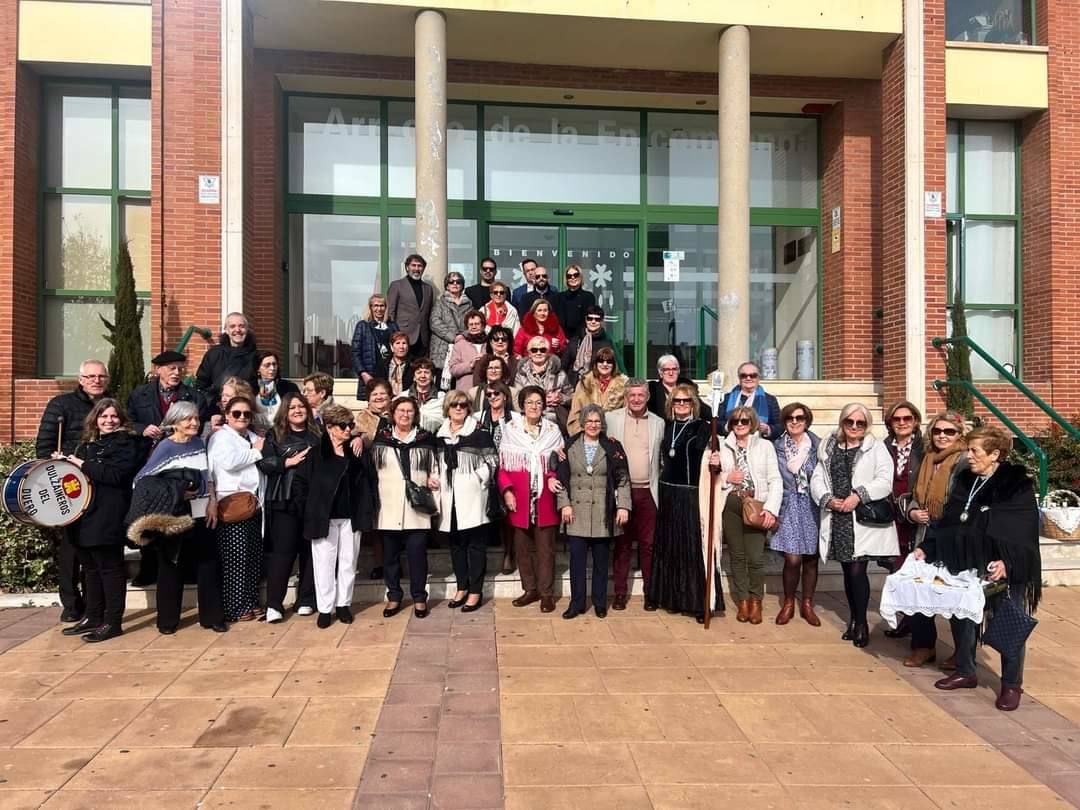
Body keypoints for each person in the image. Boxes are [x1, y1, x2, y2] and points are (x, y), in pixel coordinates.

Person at [916, 425, 1041, 712]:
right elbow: (950, 519)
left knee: (1010, 620)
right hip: (965, 561)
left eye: (975, 451)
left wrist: (1008, 562)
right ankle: (965, 670)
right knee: (963, 617)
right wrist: (929, 547)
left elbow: (1023, 530)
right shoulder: (965, 478)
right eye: (968, 449)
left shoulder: (1014, 484)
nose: (968, 455)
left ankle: (1011, 684)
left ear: (995, 454)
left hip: (1000, 567)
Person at [133, 401, 227, 634]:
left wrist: (213, 502)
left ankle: (212, 617)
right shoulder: (165, 447)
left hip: (203, 512)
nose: (194, 423)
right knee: (171, 567)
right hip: (175, 516)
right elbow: (142, 481)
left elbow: (209, 477)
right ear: (174, 423)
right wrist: (177, 492)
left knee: (208, 565)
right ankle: (167, 621)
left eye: (196, 418)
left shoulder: (199, 443)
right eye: (188, 419)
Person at [810, 403, 897, 648]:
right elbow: (818, 477)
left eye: (861, 423)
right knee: (848, 571)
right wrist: (827, 499)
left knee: (859, 570)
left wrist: (858, 495)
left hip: (861, 517)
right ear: (842, 422)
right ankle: (854, 619)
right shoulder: (829, 447)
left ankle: (861, 624)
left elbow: (884, 480)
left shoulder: (876, 448)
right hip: (838, 516)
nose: (855, 427)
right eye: (850, 422)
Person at [57, 399, 140, 642]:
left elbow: (116, 475)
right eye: (103, 416)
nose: (108, 421)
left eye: (114, 416)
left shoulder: (126, 444)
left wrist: (81, 464)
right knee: (90, 569)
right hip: (82, 515)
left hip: (108, 514)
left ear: (121, 420)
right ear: (95, 419)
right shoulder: (85, 445)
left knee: (110, 569)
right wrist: (62, 464)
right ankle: (93, 616)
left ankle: (113, 622)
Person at [35, 358, 110, 623]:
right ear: (80, 379)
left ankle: (93, 602)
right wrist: (57, 464)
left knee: (93, 545)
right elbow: (44, 446)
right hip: (70, 483)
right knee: (70, 546)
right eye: (90, 376)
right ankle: (70, 603)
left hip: (100, 484)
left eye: (101, 376)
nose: (96, 381)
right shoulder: (61, 405)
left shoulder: (111, 406)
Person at [898, 411, 968, 668]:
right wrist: (913, 511)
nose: (942, 436)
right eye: (937, 431)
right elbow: (914, 493)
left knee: (954, 593)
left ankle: (962, 652)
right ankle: (923, 646)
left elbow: (962, 501)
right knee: (919, 589)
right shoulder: (926, 458)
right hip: (924, 534)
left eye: (949, 431)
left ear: (959, 434)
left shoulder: (963, 462)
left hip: (951, 537)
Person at [647, 384, 719, 622]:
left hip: (690, 494)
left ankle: (698, 603)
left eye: (685, 401)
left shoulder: (703, 427)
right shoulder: (665, 426)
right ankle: (671, 598)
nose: (681, 405)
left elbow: (718, 454)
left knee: (692, 549)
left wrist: (716, 458)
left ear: (693, 403)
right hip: (668, 492)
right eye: (677, 401)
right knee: (670, 549)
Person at [301, 403, 377, 628]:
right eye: (343, 426)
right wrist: (309, 508)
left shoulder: (355, 452)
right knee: (324, 563)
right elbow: (301, 483)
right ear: (330, 427)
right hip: (323, 517)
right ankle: (325, 608)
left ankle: (344, 604)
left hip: (350, 516)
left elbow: (368, 481)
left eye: (350, 425)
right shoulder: (316, 454)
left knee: (348, 562)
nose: (348, 430)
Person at [556, 404, 631, 620]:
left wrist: (623, 506)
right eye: (589, 421)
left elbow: (623, 479)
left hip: (603, 511)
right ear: (582, 424)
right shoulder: (569, 446)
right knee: (576, 562)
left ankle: (599, 602)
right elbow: (561, 479)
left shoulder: (613, 447)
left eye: (597, 421)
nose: (593, 425)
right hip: (576, 512)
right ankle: (576, 603)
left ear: (602, 424)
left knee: (600, 562)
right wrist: (565, 504)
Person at [371, 396, 440, 619]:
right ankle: (394, 596)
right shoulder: (381, 439)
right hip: (388, 507)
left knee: (417, 555)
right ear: (393, 413)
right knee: (390, 557)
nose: (405, 415)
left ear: (415, 414)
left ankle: (419, 597)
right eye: (401, 410)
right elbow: (371, 472)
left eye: (410, 411)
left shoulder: (425, 439)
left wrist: (433, 479)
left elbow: (435, 468)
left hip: (416, 509)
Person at [499, 386, 565, 613]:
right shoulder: (511, 429)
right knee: (522, 546)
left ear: (544, 406)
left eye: (538, 402)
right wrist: (507, 491)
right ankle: (530, 589)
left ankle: (547, 593)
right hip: (519, 498)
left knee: (546, 548)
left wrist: (552, 477)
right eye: (529, 403)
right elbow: (503, 466)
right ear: (522, 406)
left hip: (545, 497)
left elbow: (560, 463)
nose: (534, 407)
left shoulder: (553, 431)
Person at [716, 406, 782, 625]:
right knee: (737, 555)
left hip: (755, 504)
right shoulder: (722, 446)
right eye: (736, 421)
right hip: (731, 503)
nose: (740, 425)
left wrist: (771, 508)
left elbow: (775, 479)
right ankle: (742, 600)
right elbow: (713, 477)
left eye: (744, 421)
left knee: (755, 557)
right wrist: (726, 476)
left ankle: (756, 601)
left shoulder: (764, 446)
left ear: (752, 422)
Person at [256, 392, 318, 622]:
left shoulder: (317, 434)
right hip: (284, 500)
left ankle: (306, 600)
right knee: (283, 554)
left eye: (301, 406)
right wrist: (286, 462)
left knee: (309, 553)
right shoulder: (275, 434)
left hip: (311, 501)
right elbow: (264, 462)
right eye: (292, 408)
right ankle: (274, 604)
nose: (297, 411)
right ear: (285, 411)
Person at [606, 378, 664, 610]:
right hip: (623, 492)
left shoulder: (658, 422)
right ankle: (620, 593)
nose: (637, 399)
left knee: (649, 545)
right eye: (632, 395)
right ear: (626, 397)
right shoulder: (611, 419)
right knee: (621, 544)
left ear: (648, 397)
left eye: (641, 395)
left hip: (649, 491)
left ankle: (651, 592)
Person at [437, 391, 498, 612]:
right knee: (456, 545)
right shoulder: (440, 434)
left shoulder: (479, 432)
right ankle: (461, 587)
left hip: (473, 497)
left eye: (463, 405)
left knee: (476, 546)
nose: (459, 408)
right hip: (449, 497)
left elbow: (492, 460)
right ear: (447, 408)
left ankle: (475, 591)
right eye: (454, 405)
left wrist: (477, 477)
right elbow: (436, 462)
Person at [207, 394, 266, 622]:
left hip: (253, 503)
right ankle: (235, 607)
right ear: (227, 415)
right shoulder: (220, 437)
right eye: (236, 413)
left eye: (246, 414)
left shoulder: (251, 436)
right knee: (236, 560)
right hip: (231, 503)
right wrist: (256, 451)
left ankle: (249, 602)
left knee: (252, 557)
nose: (242, 417)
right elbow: (228, 462)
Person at [770, 402, 822, 626]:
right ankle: (789, 601)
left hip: (812, 504)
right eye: (790, 418)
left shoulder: (818, 446)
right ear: (784, 422)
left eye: (799, 418)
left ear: (806, 421)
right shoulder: (776, 446)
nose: (794, 422)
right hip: (788, 503)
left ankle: (807, 604)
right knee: (792, 558)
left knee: (810, 558)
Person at [476, 380, 519, 576]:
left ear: (505, 396)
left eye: (497, 394)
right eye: (489, 395)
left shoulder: (515, 419)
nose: (493, 397)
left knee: (507, 516)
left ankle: (509, 553)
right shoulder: (478, 418)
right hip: (484, 469)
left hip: (507, 469)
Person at [884, 400, 924, 573]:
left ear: (915, 421)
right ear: (890, 423)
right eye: (896, 419)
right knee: (895, 564)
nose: (902, 423)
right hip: (890, 511)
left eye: (907, 418)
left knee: (914, 564)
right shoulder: (883, 447)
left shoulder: (925, 448)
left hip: (913, 512)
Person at [195, 312, 258, 415]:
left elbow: (257, 389)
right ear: (227, 330)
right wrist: (212, 412)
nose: (237, 330)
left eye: (241, 326)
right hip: (214, 411)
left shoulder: (256, 357)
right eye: (232, 326)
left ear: (247, 329)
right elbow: (201, 385)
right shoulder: (213, 354)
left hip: (244, 413)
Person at [127, 350, 197, 442]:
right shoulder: (139, 394)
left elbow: (200, 426)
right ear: (158, 369)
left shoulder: (193, 396)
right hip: (146, 449)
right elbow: (128, 423)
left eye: (180, 369)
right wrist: (143, 429)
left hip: (179, 448)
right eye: (172, 368)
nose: (177, 373)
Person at [513, 336, 572, 427]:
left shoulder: (559, 373)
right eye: (534, 350)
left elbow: (572, 397)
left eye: (542, 350)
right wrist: (539, 401)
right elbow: (517, 400)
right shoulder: (521, 375)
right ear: (529, 353)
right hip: (530, 420)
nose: (538, 353)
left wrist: (561, 398)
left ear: (548, 352)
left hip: (554, 421)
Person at [567, 347, 627, 435]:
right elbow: (575, 413)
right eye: (601, 361)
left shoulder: (623, 385)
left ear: (614, 364)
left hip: (614, 435)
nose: (605, 364)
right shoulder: (584, 383)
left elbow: (627, 415)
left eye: (609, 361)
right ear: (596, 363)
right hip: (586, 433)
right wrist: (581, 435)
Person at [386, 253, 435, 357]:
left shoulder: (428, 289)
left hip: (423, 339)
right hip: (403, 337)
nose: (416, 268)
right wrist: (395, 335)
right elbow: (391, 312)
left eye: (420, 266)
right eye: (413, 265)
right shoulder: (397, 285)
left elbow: (429, 314)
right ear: (407, 267)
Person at [351, 293, 399, 398]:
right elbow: (355, 353)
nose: (379, 309)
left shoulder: (393, 326)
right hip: (370, 374)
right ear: (370, 308)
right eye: (375, 305)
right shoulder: (363, 325)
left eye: (382, 305)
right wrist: (363, 373)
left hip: (389, 373)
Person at [430, 271, 473, 387]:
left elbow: (473, 324)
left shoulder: (469, 304)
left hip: (462, 346)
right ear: (447, 285)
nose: (455, 284)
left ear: (462, 285)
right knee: (441, 384)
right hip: (443, 348)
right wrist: (454, 337)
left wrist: (462, 336)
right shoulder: (440, 303)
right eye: (451, 282)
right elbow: (435, 322)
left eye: (458, 282)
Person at [721, 361, 782, 440]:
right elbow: (717, 423)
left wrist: (768, 429)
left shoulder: (770, 400)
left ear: (758, 377)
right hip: (732, 443)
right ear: (739, 378)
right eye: (744, 375)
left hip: (760, 445)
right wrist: (729, 426)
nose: (748, 378)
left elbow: (780, 426)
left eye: (753, 375)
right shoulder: (727, 398)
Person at [647, 355, 711, 420]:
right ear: (660, 373)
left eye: (674, 369)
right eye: (667, 369)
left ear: (678, 371)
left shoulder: (687, 387)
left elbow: (703, 410)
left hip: (686, 427)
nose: (671, 373)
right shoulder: (653, 389)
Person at [563, 305, 613, 388]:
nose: (593, 322)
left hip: (594, 387)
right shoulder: (575, 340)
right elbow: (564, 364)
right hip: (572, 386)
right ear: (586, 319)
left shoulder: (606, 344)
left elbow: (609, 368)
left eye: (597, 319)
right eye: (590, 318)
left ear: (602, 321)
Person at [250, 349, 300, 423]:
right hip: (257, 431)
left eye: (274, 364)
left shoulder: (289, 387)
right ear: (258, 369)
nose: (272, 368)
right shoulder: (250, 387)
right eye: (267, 365)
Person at [553, 263, 597, 343]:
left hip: (582, 339)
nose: (572, 277)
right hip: (563, 341)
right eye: (569, 276)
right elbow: (558, 322)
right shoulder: (558, 298)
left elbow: (587, 320)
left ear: (580, 277)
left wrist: (577, 340)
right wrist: (563, 339)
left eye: (575, 275)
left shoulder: (588, 297)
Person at [448, 310, 489, 392]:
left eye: (477, 324)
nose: (474, 327)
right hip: (465, 391)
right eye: (471, 324)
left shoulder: (489, 344)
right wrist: (470, 365)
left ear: (483, 326)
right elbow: (453, 369)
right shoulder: (460, 345)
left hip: (486, 390)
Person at [405, 358, 445, 433]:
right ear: (414, 377)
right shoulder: (403, 397)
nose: (423, 376)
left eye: (426, 372)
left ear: (432, 377)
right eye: (419, 372)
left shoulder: (442, 398)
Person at [386, 331, 414, 396]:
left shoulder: (414, 364)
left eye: (404, 343)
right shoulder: (383, 364)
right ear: (391, 347)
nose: (401, 347)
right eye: (397, 343)